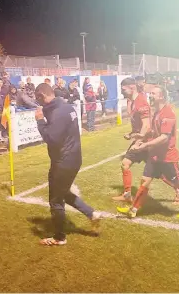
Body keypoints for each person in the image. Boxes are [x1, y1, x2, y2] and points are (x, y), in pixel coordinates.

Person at [34, 83, 101, 246]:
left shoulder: (58, 112)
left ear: (42, 95)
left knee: (56, 200)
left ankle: (59, 237)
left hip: (63, 162)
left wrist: (40, 121)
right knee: (63, 192)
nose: (39, 103)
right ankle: (91, 213)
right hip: (73, 158)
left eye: (38, 99)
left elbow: (51, 139)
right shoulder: (65, 107)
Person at [117, 85, 179, 218]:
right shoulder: (157, 112)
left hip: (168, 157)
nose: (150, 96)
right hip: (155, 156)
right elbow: (155, 132)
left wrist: (144, 146)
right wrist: (140, 137)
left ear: (161, 96)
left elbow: (164, 138)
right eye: (150, 94)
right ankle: (133, 210)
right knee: (144, 181)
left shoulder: (168, 114)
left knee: (178, 183)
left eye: (153, 94)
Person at [112, 77, 151, 203]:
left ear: (132, 87)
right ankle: (127, 194)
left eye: (123, 89)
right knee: (125, 164)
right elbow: (139, 126)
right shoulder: (133, 101)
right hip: (140, 140)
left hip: (147, 142)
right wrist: (131, 134)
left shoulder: (141, 102)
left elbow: (147, 125)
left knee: (160, 170)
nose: (121, 91)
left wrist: (139, 142)